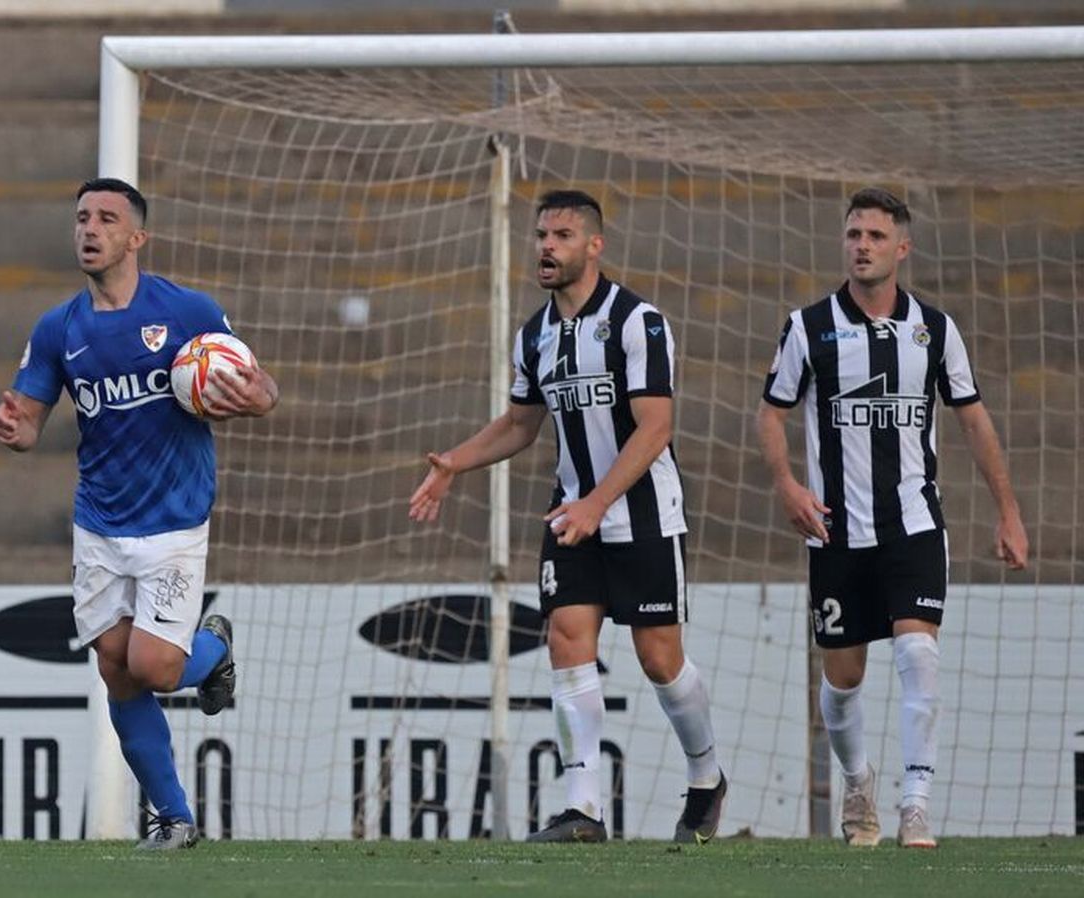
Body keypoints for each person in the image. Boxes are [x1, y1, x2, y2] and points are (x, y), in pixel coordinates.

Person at [410, 189, 726, 844]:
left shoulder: (640, 322)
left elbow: (656, 427)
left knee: (660, 660)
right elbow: (522, 423)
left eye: (560, 235)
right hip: (572, 516)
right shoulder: (536, 334)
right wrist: (455, 465)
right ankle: (585, 809)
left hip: (641, 515)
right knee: (566, 638)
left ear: (593, 244)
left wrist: (598, 502)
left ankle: (706, 777)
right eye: (541, 236)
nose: (546, 247)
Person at [0, 178, 279, 850]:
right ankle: (174, 818)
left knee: (155, 667)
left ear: (136, 237)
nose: (89, 229)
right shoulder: (58, 327)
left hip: (174, 519)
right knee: (115, 666)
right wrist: (13, 428)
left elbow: (262, 388)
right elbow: (30, 420)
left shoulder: (186, 311)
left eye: (106, 218)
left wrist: (255, 397)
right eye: (82, 217)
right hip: (99, 523)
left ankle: (213, 650)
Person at [757, 187, 1028, 849]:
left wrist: (1009, 512)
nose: (862, 246)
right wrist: (788, 484)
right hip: (836, 530)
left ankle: (916, 803)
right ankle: (858, 780)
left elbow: (972, 418)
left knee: (917, 651)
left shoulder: (935, 330)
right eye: (854, 234)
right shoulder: (808, 326)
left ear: (901, 248)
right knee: (843, 676)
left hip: (914, 524)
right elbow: (771, 411)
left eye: (876, 236)